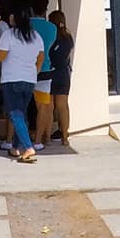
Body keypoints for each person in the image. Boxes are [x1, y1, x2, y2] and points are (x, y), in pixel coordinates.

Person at [0, 1, 45, 163]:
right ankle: (15, 147)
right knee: (21, 114)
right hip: (29, 80)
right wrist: (34, 71)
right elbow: (41, 58)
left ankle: (28, 147)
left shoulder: (8, 34)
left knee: (15, 114)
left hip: (11, 79)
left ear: (14, 18)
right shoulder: (36, 36)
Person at [29, 0, 57, 146]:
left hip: (25, 69)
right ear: (45, 10)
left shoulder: (25, 25)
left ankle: (15, 140)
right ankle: (39, 141)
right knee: (43, 107)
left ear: (31, 9)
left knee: (19, 106)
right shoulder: (52, 28)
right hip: (45, 69)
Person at [47, 9, 74, 144]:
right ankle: (65, 137)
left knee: (49, 107)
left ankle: (46, 137)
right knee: (63, 106)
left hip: (51, 72)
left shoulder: (50, 37)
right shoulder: (68, 38)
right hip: (64, 73)